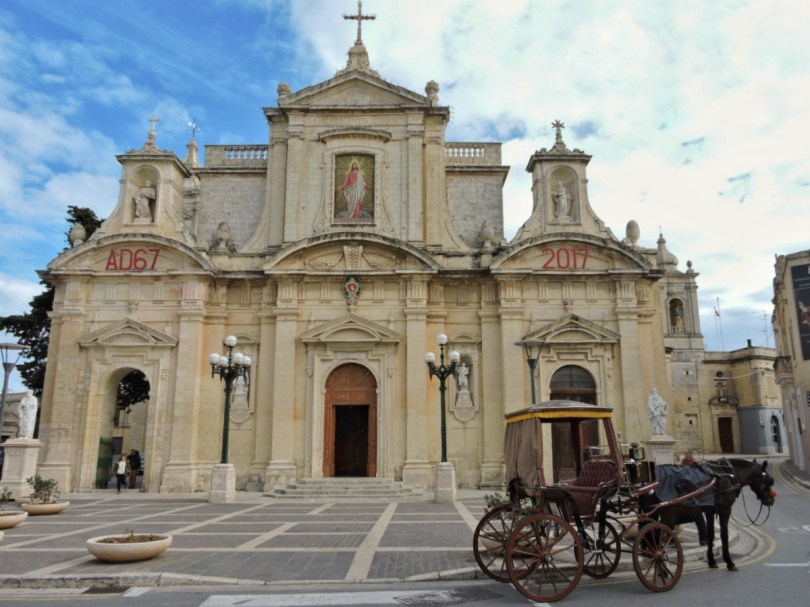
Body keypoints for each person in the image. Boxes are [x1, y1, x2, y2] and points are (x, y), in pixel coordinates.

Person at [680, 451, 708, 545]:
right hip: (683, 506)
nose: (687, 456)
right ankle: (703, 539)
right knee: (698, 516)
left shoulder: (691, 463)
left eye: (688, 455)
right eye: (686, 455)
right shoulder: (685, 464)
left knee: (699, 516)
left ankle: (704, 539)